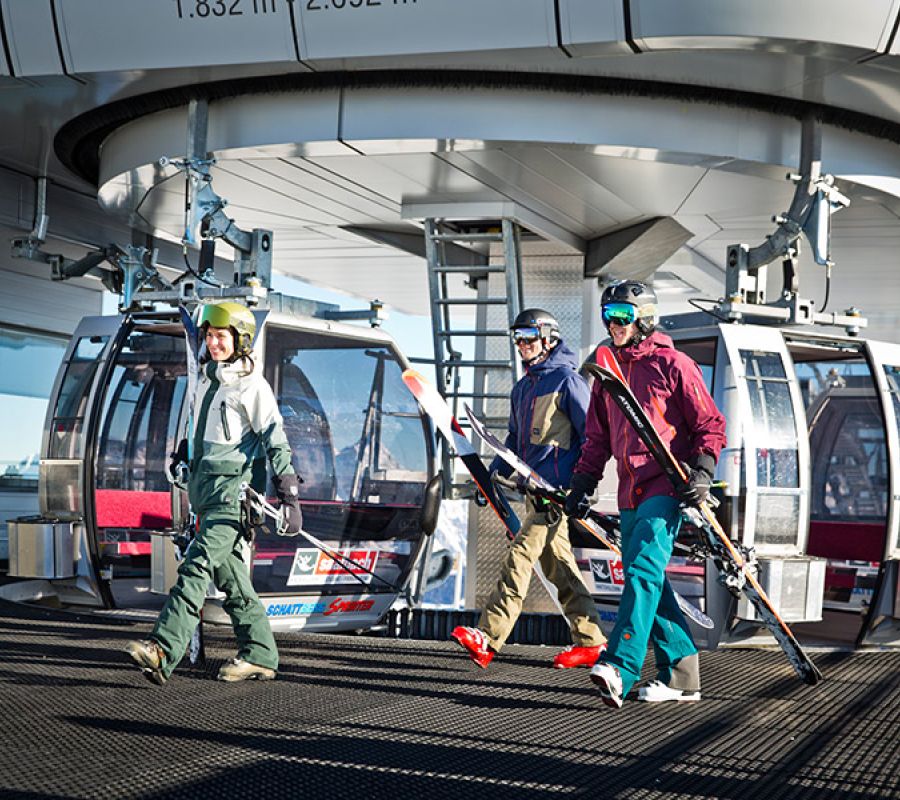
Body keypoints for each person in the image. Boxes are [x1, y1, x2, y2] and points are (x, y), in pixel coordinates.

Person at [565, 280, 726, 708]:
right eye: (608, 316)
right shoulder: (607, 372)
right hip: (628, 488)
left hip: (666, 484)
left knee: (640, 574)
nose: (614, 324)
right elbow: (596, 438)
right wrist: (582, 484)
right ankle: (682, 674)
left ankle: (620, 667)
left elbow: (710, 424)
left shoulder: (673, 365)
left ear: (644, 317)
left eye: (622, 315)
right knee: (648, 579)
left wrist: (703, 471)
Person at [125, 301, 302, 685]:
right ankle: (260, 654)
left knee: (196, 565)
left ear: (240, 340)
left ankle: (162, 649)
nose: (213, 342)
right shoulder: (207, 378)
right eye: (209, 335)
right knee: (233, 582)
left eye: (221, 336)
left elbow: (276, 441)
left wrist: (288, 494)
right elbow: (203, 433)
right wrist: (184, 458)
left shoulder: (251, 385)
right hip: (205, 494)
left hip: (234, 497)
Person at [451, 309, 608, 670]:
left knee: (520, 555)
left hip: (557, 493)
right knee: (559, 566)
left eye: (528, 337)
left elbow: (592, 438)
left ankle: (488, 637)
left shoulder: (568, 381)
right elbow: (512, 442)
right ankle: (592, 640)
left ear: (548, 338)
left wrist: (585, 486)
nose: (522, 345)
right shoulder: (523, 388)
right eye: (517, 338)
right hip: (532, 491)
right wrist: (490, 476)